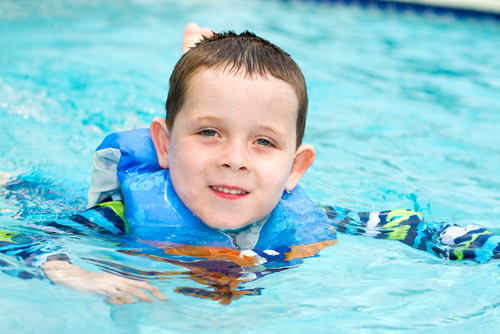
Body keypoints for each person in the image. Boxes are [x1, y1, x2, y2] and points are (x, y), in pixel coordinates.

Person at [2, 23, 500, 305]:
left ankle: (202, 76)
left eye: (264, 142)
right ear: (166, 147)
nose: (234, 161)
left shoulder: (314, 220)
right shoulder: (121, 219)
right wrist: (68, 272)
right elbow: (15, 236)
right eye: (210, 133)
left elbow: (415, 228)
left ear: (295, 168)